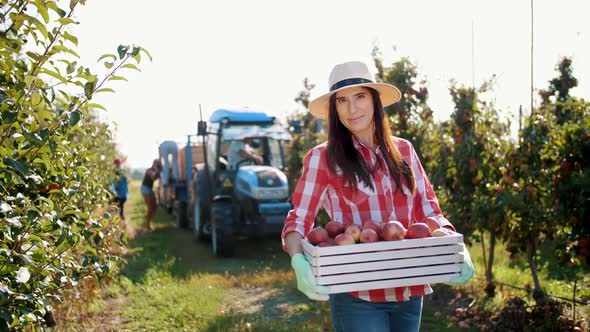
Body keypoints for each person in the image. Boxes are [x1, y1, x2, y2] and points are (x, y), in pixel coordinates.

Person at [281, 61, 474, 332]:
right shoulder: (323, 158)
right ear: (334, 110)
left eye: (360, 97)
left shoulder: (404, 150)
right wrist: (297, 260)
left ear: (374, 101)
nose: (352, 109)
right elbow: (298, 219)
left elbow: (429, 210)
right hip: (356, 293)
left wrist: (454, 246)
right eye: (342, 101)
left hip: (409, 287)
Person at [141, 159, 162, 230]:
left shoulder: (157, 171)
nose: (158, 165)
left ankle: (148, 222)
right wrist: (157, 171)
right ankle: (147, 224)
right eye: (157, 163)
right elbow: (153, 177)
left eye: (158, 164)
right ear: (154, 163)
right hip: (145, 189)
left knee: (155, 207)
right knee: (150, 207)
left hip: (149, 189)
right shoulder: (149, 170)